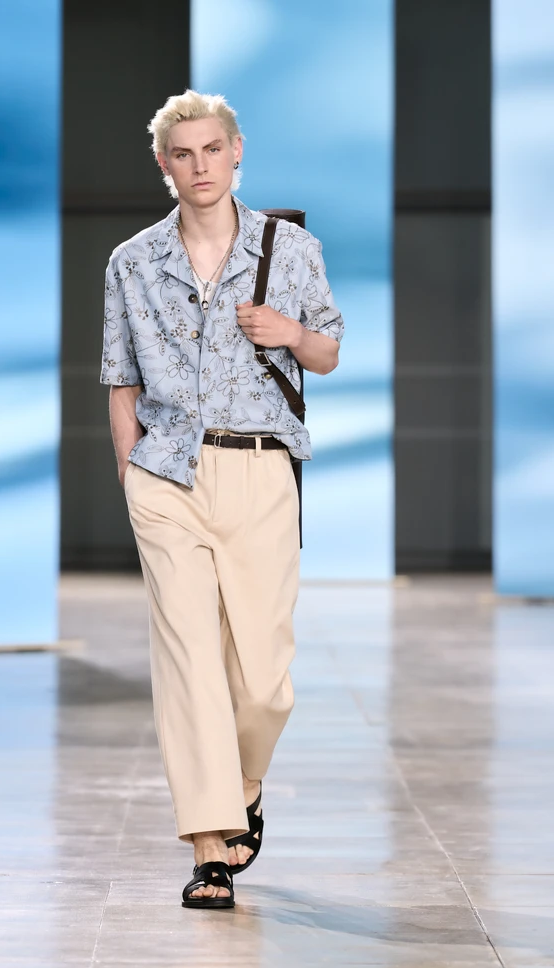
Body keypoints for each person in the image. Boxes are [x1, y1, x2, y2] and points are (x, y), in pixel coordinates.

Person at [100, 90, 344, 909]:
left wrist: (291, 334)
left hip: (262, 469)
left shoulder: (291, 249)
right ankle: (210, 844)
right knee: (190, 661)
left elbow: (328, 350)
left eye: (213, 150)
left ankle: (242, 787)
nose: (200, 166)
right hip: (167, 475)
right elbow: (120, 379)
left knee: (264, 677)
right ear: (163, 165)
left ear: (237, 152)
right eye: (183, 154)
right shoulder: (133, 262)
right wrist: (131, 473)